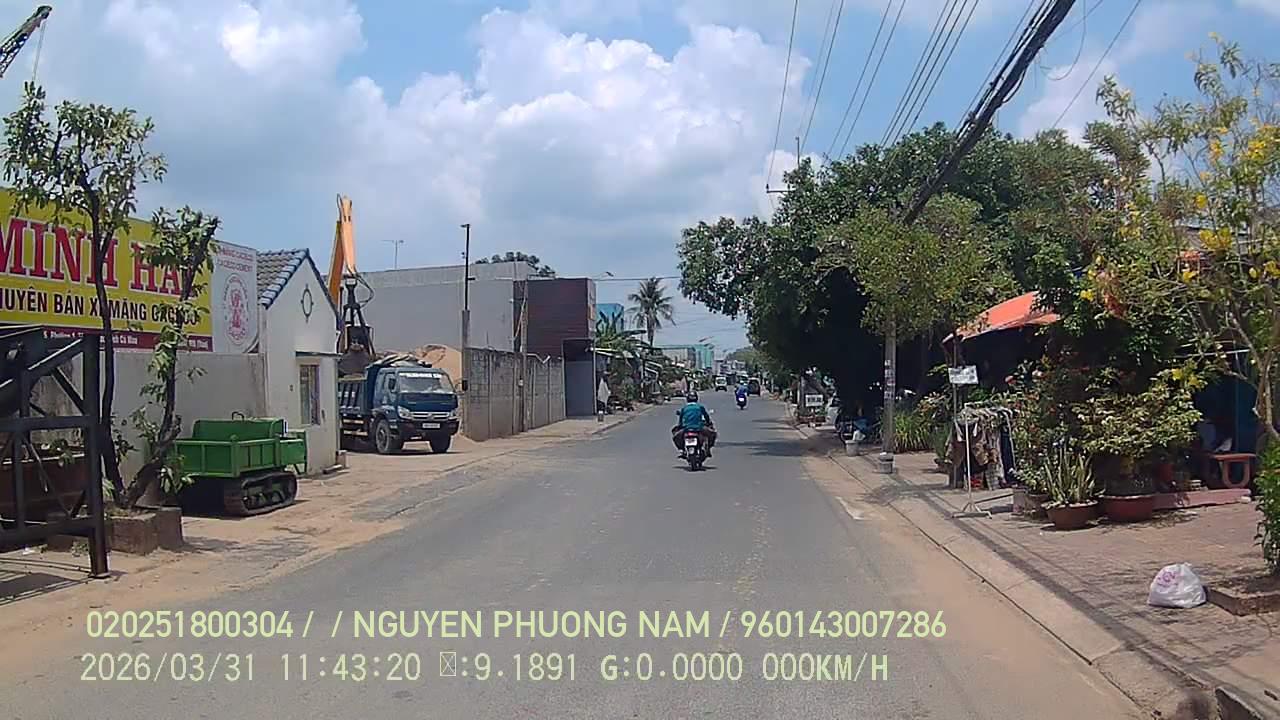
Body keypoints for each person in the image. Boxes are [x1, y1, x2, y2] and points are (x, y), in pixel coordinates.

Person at [672, 390, 716, 457]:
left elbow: (680, 421)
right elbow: (706, 416)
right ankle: (708, 449)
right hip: (699, 428)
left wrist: (680, 426)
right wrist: (709, 423)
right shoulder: (700, 407)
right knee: (712, 434)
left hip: (686, 428)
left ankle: (682, 450)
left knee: (675, 436)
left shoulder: (684, 408)